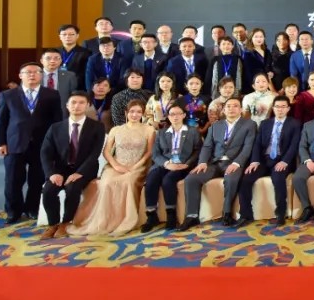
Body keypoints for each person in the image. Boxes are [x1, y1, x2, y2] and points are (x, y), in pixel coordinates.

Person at [69, 98, 155, 236]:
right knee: (107, 183)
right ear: (126, 113)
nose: (135, 115)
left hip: (138, 166)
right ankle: (106, 221)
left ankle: (125, 220)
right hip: (115, 165)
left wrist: (136, 166)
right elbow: (106, 151)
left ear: (143, 114)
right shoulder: (116, 130)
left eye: (139, 112)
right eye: (132, 111)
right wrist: (116, 165)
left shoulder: (149, 130)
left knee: (127, 182)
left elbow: (149, 152)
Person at [0, 62, 65, 224]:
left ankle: (32, 208)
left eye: (36, 72)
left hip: (42, 144)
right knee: (13, 180)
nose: (32, 75)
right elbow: (0, 121)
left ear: (41, 75)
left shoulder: (51, 94)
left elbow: (57, 121)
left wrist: (55, 143)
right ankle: (13, 211)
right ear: (20, 76)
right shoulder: (8, 95)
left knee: (37, 179)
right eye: (28, 72)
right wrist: (0, 143)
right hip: (14, 143)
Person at [177, 97, 258, 230]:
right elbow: (207, 146)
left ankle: (227, 213)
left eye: (235, 106)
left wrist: (237, 163)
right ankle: (191, 216)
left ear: (241, 110)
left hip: (234, 163)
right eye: (228, 106)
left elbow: (248, 147)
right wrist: (202, 162)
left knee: (231, 179)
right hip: (215, 163)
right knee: (191, 179)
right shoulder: (215, 126)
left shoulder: (249, 124)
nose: (231, 109)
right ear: (223, 110)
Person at [39, 91, 105, 238]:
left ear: (87, 105)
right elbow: (45, 153)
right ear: (67, 105)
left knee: (72, 188)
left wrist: (79, 173)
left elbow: (94, 154)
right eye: (73, 102)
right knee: (48, 191)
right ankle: (53, 224)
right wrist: (51, 173)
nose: (77, 106)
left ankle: (66, 223)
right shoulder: (55, 128)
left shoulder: (97, 127)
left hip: (84, 170)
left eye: (81, 103)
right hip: (60, 170)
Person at [237, 95, 302, 227]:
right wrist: (254, 161)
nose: (280, 109)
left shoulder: (295, 124)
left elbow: (294, 145)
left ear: (288, 109)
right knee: (246, 179)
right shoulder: (265, 124)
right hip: (264, 159)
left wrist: (285, 162)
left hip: (282, 160)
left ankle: (280, 213)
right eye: (277, 106)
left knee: (278, 179)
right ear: (273, 108)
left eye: (283, 107)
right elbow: (257, 144)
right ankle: (245, 215)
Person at [140, 103, 203, 232]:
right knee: (151, 179)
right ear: (168, 117)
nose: (175, 117)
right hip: (166, 163)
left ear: (184, 115)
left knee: (168, 181)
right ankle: (151, 216)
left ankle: (171, 215)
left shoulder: (193, 131)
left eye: (178, 114)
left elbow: (198, 150)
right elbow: (155, 154)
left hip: (183, 165)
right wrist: (167, 164)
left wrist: (187, 164)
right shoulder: (162, 133)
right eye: (172, 114)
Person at [242, 28, 274, 94]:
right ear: (251, 38)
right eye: (256, 37)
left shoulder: (267, 51)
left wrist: (271, 72)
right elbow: (248, 72)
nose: (259, 39)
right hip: (253, 85)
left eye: (261, 37)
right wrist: (254, 86)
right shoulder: (247, 53)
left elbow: (269, 66)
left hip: (267, 83)